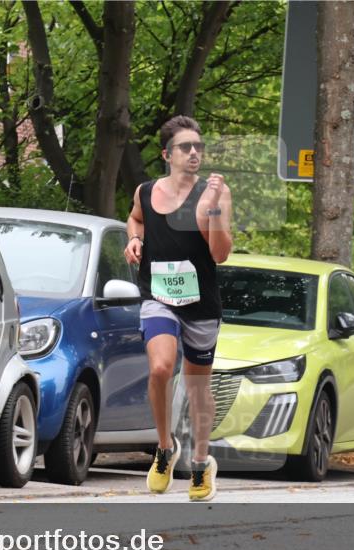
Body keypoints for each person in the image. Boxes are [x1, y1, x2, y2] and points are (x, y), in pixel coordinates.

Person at [124, 115, 232, 501]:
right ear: (167, 153)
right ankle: (165, 447)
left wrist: (214, 209)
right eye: (186, 147)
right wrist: (135, 240)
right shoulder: (145, 191)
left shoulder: (213, 193)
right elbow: (135, 219)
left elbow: (219, 254)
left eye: (198, 148)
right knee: (159, 368)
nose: (193, 153)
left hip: (200, 303)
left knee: (197, 385)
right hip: (158, 297)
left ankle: (202, 463)